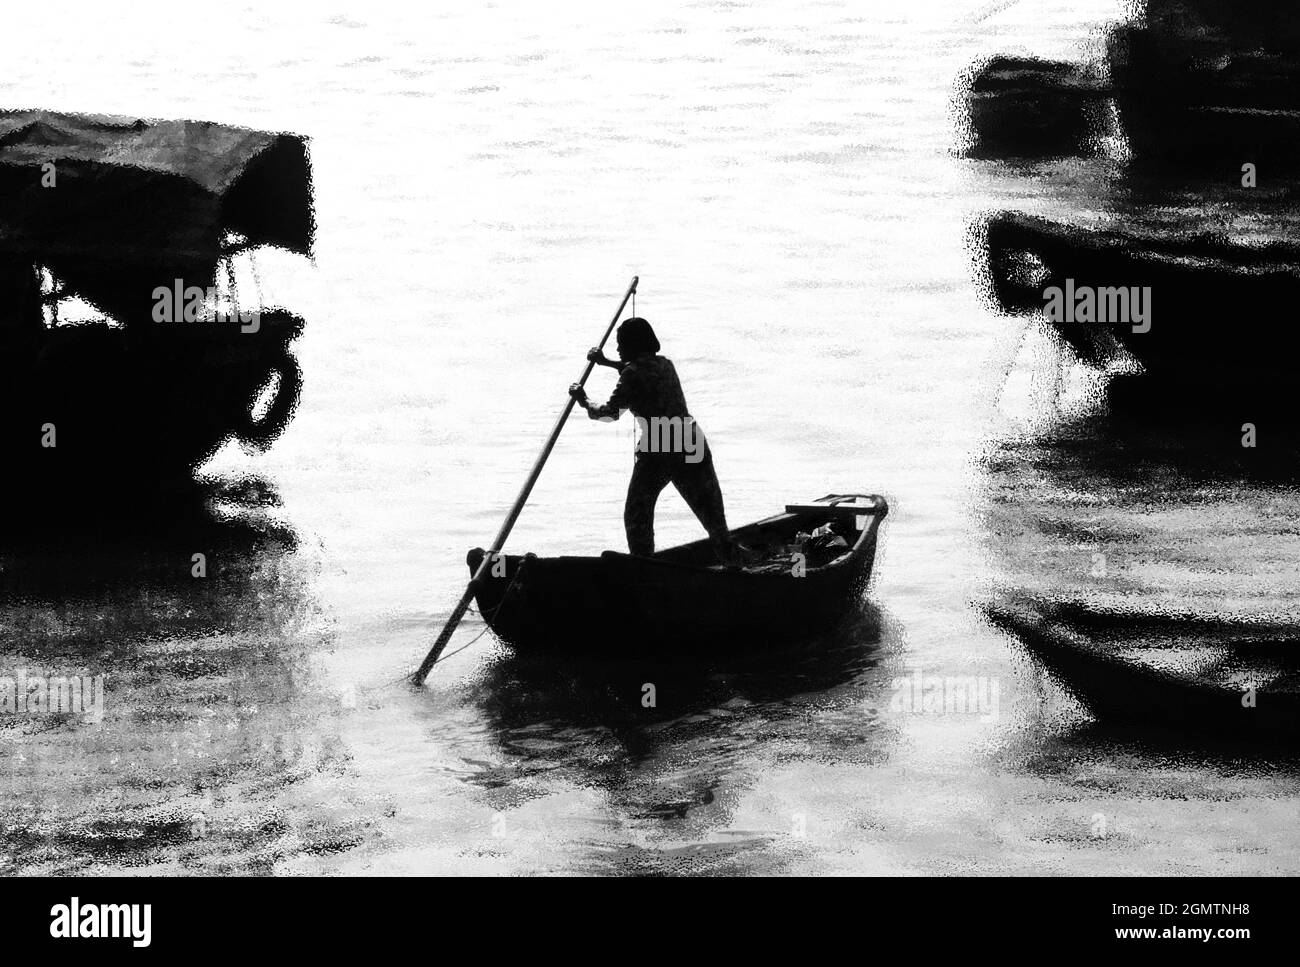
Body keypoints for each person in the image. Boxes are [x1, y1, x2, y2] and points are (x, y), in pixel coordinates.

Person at [569, 317, 737, 563]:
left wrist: (582, 399)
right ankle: (732, 563)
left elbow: (608, 413)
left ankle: (643, 566)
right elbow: (636, 369)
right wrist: (605, 362)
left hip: (659, 447)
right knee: (713, 517)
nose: (618, 350)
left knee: (637, 514)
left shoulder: (632, 374)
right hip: (690, 439)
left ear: (632, 345)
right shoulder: (665, 364)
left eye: (621, 345)